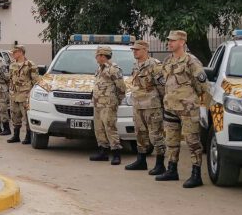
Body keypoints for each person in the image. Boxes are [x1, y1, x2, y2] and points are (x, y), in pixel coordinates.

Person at [155, 30, 211, 188]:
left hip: (187, 108)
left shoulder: (191, 61)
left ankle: (196, 174)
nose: (169, 43)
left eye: (173, 40)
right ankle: (172, 170)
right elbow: (164, 82)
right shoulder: (167, 61)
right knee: (171, 140)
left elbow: (203, 86)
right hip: (170, 107)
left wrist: (197, 104)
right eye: (169, 40)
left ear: (182, 42)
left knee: (192, 141)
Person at [125, 40, 167, 174]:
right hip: (138, 105)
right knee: (140, 134)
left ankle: (160, 164)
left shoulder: (155, 65)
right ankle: (141, 160)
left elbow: (162, 87)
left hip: (152, 105)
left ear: (145, 50)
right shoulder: (135, 65)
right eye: (133, 50)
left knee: (156, 135)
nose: (134, 52)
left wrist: (162, 104)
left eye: (137, 49)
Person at [89, 46, 127, 164]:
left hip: (109, 104)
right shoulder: (99, 69)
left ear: (102, 56)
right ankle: (103, 152)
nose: (96, 58)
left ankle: (116, 153)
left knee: (110, 128)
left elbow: (121, 87)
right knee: (99, 128)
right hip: (98, 104)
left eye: (97, 55)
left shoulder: (113, 69)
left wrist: (117, 101)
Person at [7, 45, 40, 144]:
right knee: (14, 115)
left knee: (26, 116)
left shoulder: (30, 65)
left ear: (21, 52)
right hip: (14, 95)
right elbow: (10, 79)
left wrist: (32, 95)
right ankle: (16, 135)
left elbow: (35, 81)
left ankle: (28, 136)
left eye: (14, 52)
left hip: (25, 95)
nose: (13, 54)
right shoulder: (12, 65)